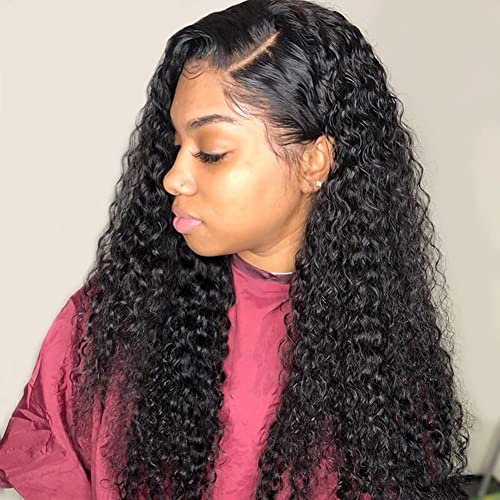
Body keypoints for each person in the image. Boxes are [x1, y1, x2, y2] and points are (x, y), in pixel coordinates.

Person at [0, 0, 472, 498]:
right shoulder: (116, 314)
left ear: (314, 161)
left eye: (211, 153)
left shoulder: (376, 358)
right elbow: (44, 451)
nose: (173, 177)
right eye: (176, 146)